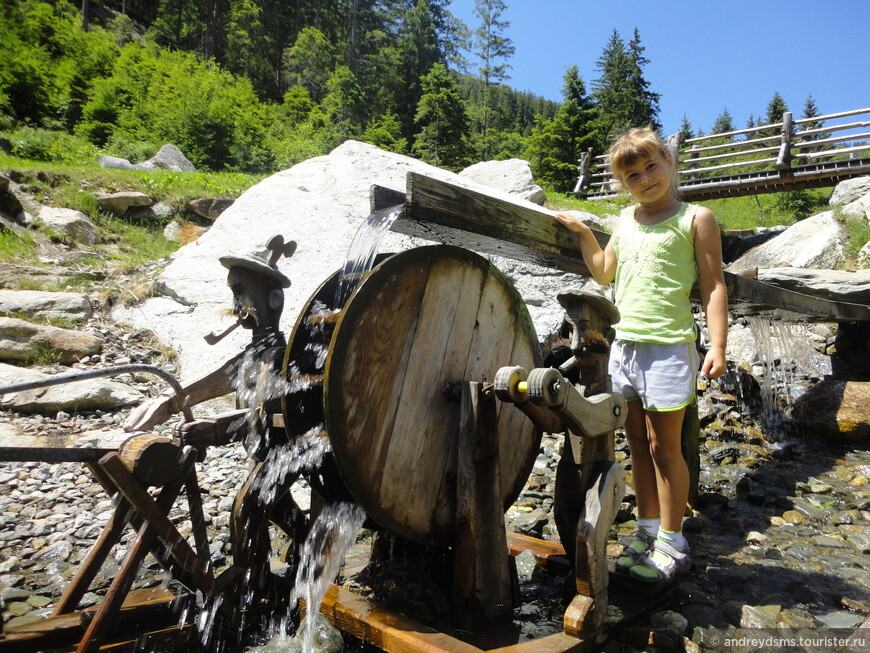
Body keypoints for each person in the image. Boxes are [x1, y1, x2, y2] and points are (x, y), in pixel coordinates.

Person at [554, 128, 728, 583]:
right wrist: (583, 232)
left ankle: (673, 538)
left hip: (669, 347)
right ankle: (647, 529)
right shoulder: (626, 222)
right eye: (633, 174)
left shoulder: (696, 218)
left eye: (651, 166)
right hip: (625, 347)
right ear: (624, 184)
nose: (645, 178)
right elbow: (604, 271)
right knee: (635, 444)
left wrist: (720, 346)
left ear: (669, 162)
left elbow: (713, 285)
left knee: (663, 446)